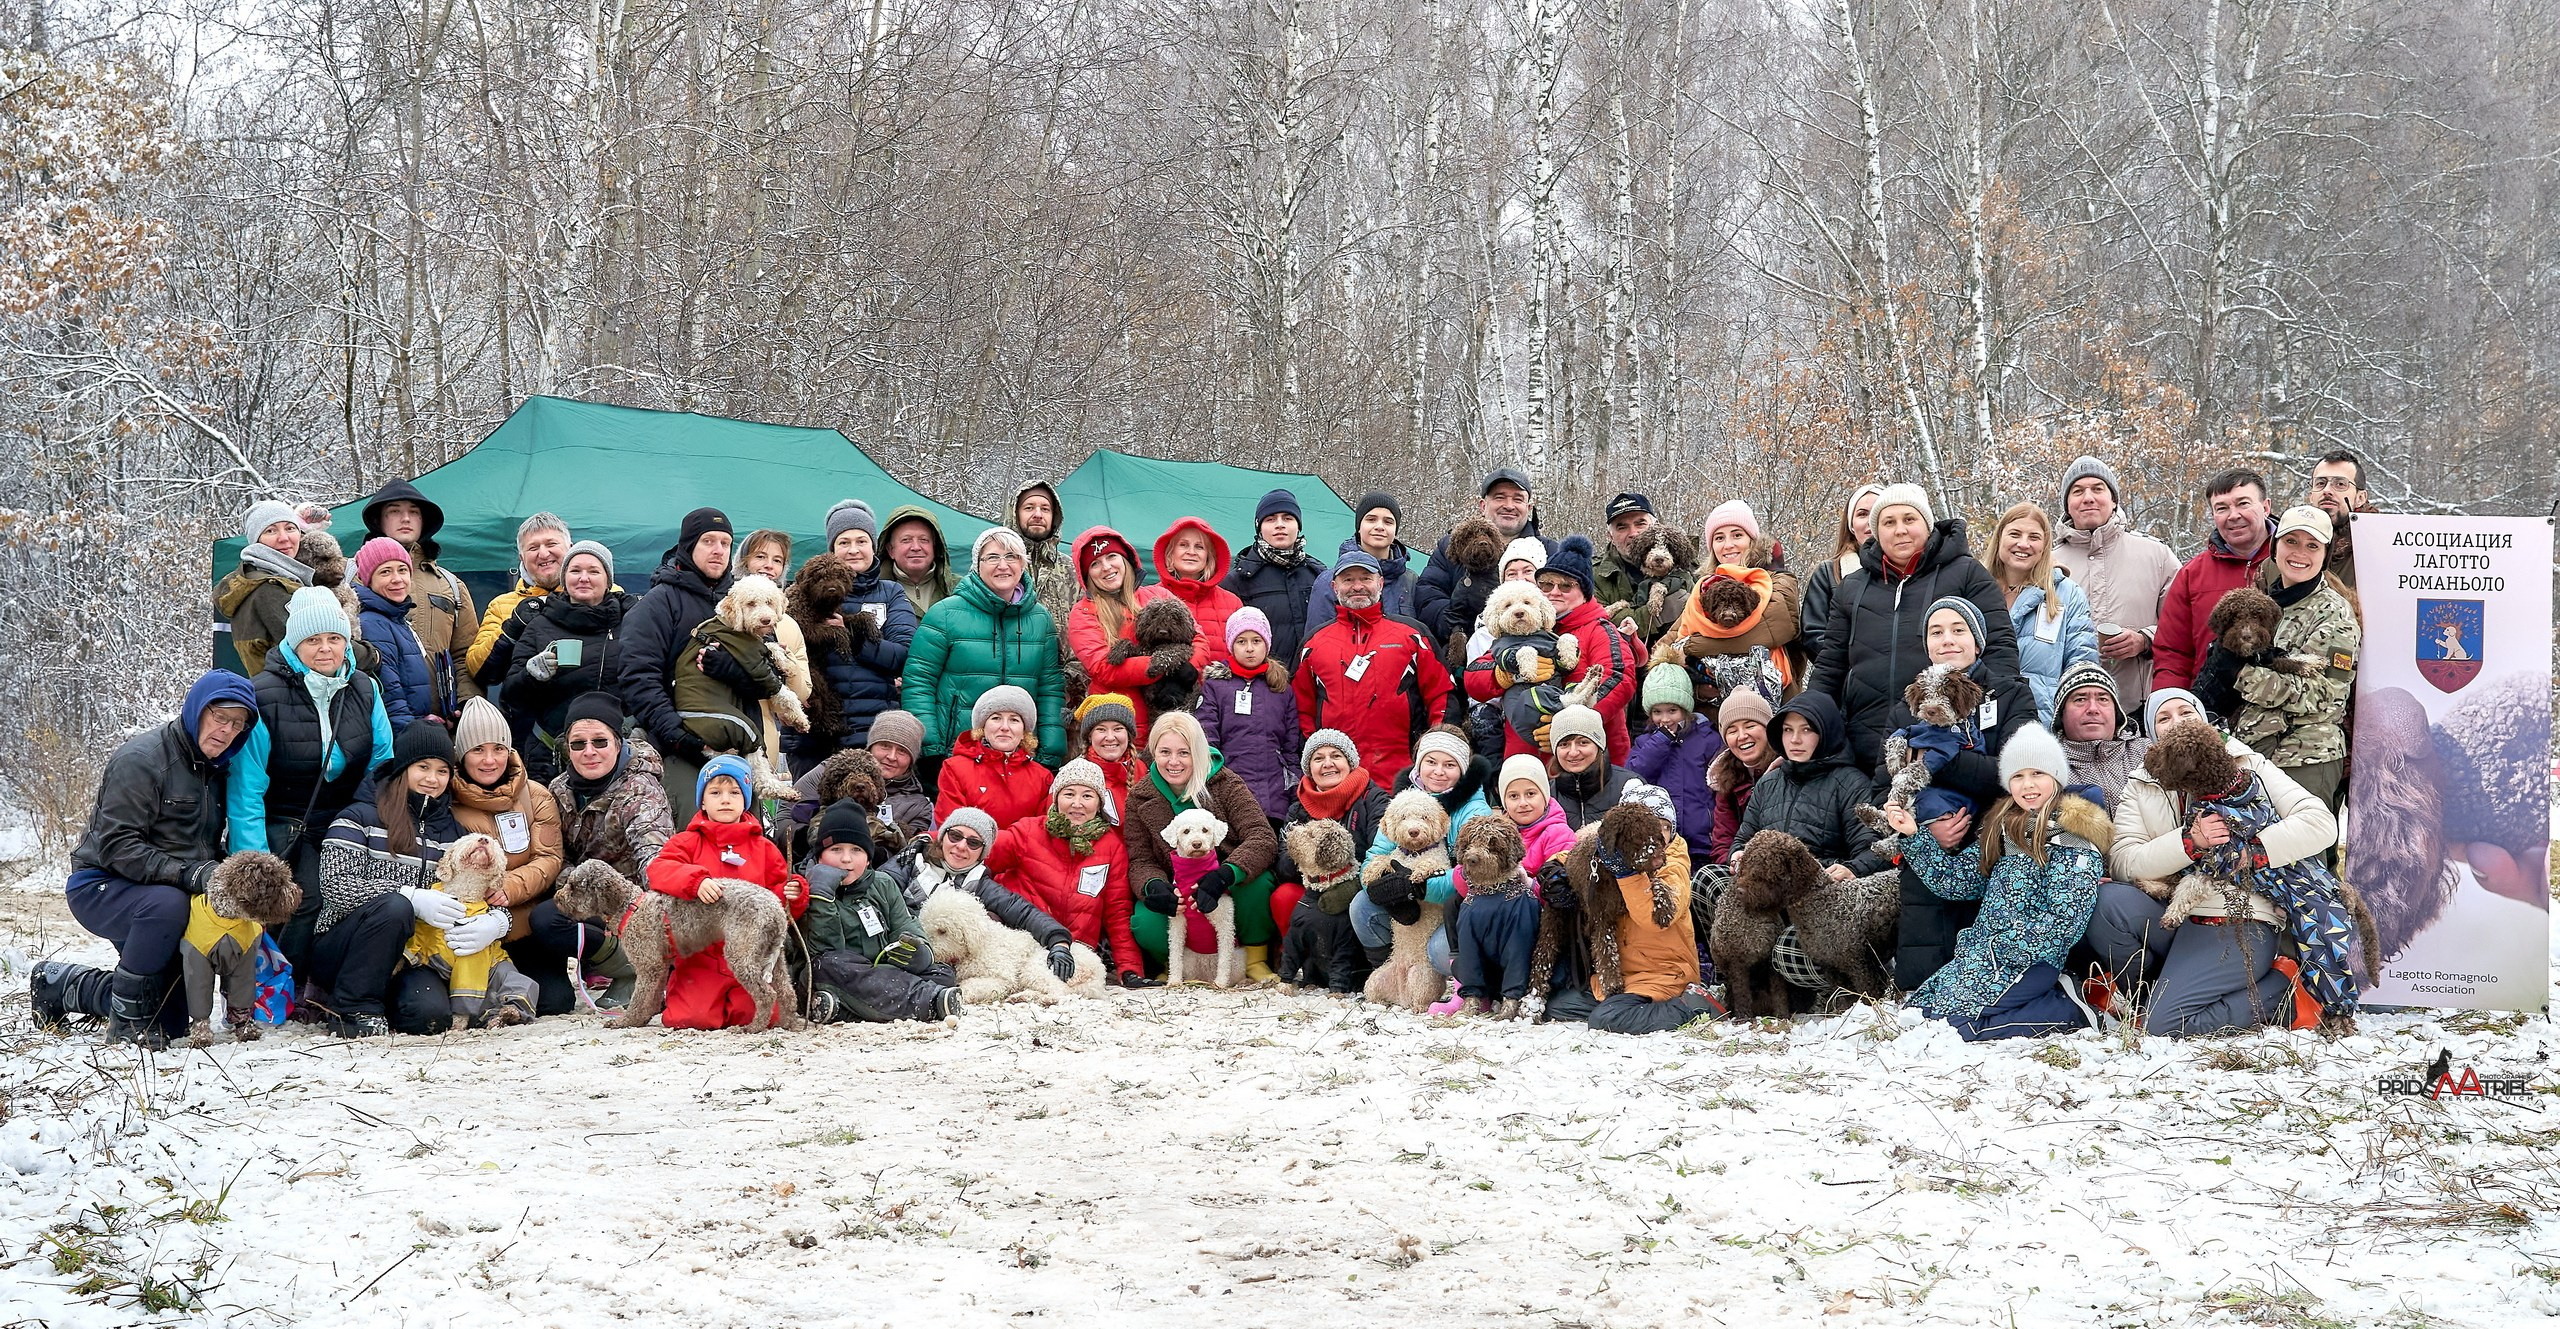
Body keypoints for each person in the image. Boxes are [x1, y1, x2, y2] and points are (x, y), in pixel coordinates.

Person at [2087, 695, 2340, 1036]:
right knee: (2106, 903)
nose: (2177, 721)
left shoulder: (2247, 762)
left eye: (2186, 711)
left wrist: (2252, 850)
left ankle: (2283, 992)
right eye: (2163, 718)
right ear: (2152, 733)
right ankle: (2149, 995)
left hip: (2236, 912)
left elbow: (2321, 823)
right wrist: (2189, 842)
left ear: (2205, 721)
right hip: (2173, 908)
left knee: (2166, 1026)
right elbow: (2124, 861)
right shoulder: (2142, 782)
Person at [31, 672, 261, 1045]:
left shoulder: (216, 769)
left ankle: (60, 983)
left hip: (166, 892)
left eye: (238, 724)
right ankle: (127, 1026)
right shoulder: (142, 759)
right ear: (196, 710)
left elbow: (203, 847)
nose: (226, 730)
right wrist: (191, 875)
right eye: (219, 716)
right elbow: (117, 845)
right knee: (167, 903)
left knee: (170, 1018)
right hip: (102, 884)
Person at [1886, 725, 2110, 1041]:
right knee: (1923, 1017)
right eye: (2018, 776)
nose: (2028, 785)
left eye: (2038, 774)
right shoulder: (2004, 829)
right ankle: (2048, 999)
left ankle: (2070, 1010)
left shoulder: (2071, 836)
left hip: (2029, 959)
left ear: (2057, 778)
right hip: (1983, 955)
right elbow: (1957, 883)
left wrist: (2005, 947)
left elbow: (2065, 921)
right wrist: (1914, 835)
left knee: (1956, 1029)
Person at [227, 587, 396, 968]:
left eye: (334, 638)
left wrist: (361, 822)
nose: (325, 649)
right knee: (305, 899)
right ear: (293, 645)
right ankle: (283, 980)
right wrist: (253, 864)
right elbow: (246, 789)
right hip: (283, 821)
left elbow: (382, 764)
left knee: (355, 896)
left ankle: (325, 978)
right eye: (312, 640)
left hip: (345, 818)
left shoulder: (365, 689)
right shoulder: (262, 695)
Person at [1804, 483, 2021, 773]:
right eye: (1888, 522)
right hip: (1864, 746)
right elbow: (1830, 667)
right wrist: (1807, 723)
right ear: (1877, 531)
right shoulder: (1852, 588)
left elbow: (1999, 649)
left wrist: (1992, 723)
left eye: (1909, 519)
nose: (1900, 530)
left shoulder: (1967, 574)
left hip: (1947, 745)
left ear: (1927, 524)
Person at [314, 722, 481, 1036]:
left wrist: (498, 921)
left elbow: (472, 890)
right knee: (396, 907)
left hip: (410, 954)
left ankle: (381, 1001)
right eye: (423, 767)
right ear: (403, 767)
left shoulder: (453, 833)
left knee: (428, 1016)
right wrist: (410, 896)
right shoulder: (360, 816)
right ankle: (354, 1009)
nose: (433, 779)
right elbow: (335, 885)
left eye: (443, 771)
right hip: (343, 946)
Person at [1540, 782, 1719, 1034]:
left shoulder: (1673, 865)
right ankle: (1626, 1006)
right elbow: (1575, 854)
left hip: (1663, 974)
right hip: (1621, 977)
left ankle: (1693, 1006)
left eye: (1663, 827)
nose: (1653, 836)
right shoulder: (1614, 854)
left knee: (1605, 1020)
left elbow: (1655, 918)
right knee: (1558, 1006)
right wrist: (1555, 871)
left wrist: (1626, 874)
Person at [643, 755, 808, 1028]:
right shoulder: (686, 842)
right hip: (701, 957)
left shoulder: (764, 848)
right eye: (715, 792)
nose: (725, 799)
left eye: (734, 793)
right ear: (702, 801)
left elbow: (777, 897)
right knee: (688, 1019)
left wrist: (795, 893)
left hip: (750, 956)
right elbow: (659, 871)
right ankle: (683, 993)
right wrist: (694, 881)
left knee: (761, 1016)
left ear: (746, 800)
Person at [2211, 507, 2359, 806]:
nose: (2300, 552)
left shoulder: (2336, 614)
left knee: (2301, 853)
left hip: (2304, 758)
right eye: (2291, 541)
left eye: (2312, 545)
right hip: (2251, 753)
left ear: (2325, 555)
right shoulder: (2262, 601)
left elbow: (2326, 695)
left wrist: (2241, 675)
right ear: (2275, 546)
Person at [1125, 711, 1281, 980]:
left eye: (1183, 753)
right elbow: (1140, 859)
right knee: (1144, 921)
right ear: (1153, 753)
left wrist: (1227, 874)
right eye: (1164, 752)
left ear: (1197, 752)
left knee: (1258, 884)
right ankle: (1175, 965)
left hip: (1225, 884)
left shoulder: (1225, 783)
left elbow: (1261, 836)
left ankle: (1255, 957)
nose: (1173, 762)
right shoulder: (1140, 797)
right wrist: (1154, 886)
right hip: (1179, 888)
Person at [443, 698, 574, 1010]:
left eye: (498, 748)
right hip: (468, 923)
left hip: (524, 921)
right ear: (462, 755)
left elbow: (549, 858)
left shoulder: (536, 795)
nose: (490, 760)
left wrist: (508, 888)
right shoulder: (447, 802)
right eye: (478, 750)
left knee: (555, 1001)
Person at [614, 507, 737, 825]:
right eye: (709, 541)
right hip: (679, 751)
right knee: (692, 842)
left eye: (725, 543)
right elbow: (638, 677)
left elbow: (768, 671)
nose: (718, 550)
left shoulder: (741, 601)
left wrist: (735, 671)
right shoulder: (658, 603)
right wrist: (682, 738)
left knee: (742, 849)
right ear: (688, 545)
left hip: (739, 751)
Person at [903, 527, 1068, 761]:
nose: (1003, 565)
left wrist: (1050, 750)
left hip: (1021, 756)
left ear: (1023, 565)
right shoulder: (945, 614)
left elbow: (1050, 688)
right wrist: (929, 746)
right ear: (977, 565)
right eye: (992, 557)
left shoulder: (1040, 619)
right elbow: (919, 681)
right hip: (957, 752)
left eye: (1011, 557)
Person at [1295, 552, 1455, 789]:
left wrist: (1432, 751)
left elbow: (1442, 694)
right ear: (1334, 586)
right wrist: (1318, 758)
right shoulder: (1313, 642)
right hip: (1336, 783)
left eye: (1365, 578)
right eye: (1348, 579)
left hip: (1403, 779)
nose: (1357, 586)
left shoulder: (1412, 634)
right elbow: (1300, 709)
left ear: (1380, 583)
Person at [542, 692, 658, 1006]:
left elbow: (654, 855)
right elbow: (554, 854)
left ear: (618, 744)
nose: (589, 752)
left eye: (600, 742)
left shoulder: (641, 789)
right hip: (581, 895)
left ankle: (640, 970)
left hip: (631, 908)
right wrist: (576, 883)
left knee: (550, 920)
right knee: (543, 915)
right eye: (578, 744)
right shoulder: (558, 789)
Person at [1348, 727, 1491, 977]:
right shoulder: (1403, 802)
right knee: (1361, 905)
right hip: (1407, 905)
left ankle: (1450, 978)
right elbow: (1377, 853)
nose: (1438, 771)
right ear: (1419, 764)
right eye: (1431, 762)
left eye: (1449, 765)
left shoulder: (1474, 811)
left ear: (1463, 770)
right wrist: (1384, 884)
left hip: (1454, 905)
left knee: (1438, 953)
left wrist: (1420, 887)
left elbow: (1472, 873)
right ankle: (1390, 970)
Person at [985, 758, 1143, 983]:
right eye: (1069, 794)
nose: (1077, 803)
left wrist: (1130, 969)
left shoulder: (1111, 847)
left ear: (1099, 804)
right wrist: (937, 840)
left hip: (1074, 952)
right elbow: (978, 847)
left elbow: (1117, 912)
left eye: (1087, 796)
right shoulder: (1028, 832)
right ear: (1056, 799)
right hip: (1021, 940)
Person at [801, 801, 959, 1024]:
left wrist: (920, 953)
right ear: (820, 856)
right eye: (836, 850)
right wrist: (822, 896)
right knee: (826, 966)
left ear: (867, 859)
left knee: (941, 973)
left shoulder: (883, 884)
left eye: (856, 850)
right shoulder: (805, 889)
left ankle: (841, 1010)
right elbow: (825, 949)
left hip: (882, 970)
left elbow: (905, 923)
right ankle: (929, 1003)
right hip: (839, 971)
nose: (846, 859)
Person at [1451, 755, 1578, 1015]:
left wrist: (1529, 883)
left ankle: (1513, 995)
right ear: (1504, 801)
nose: (1522, 803)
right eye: (1513, 796)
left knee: (1520, 924)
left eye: (1530, 793)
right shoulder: (1493, 827)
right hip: (1489, 907)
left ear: (1545, 794)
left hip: (1538, 912)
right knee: (1456, 905)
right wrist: (1471, 873)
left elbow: (1563, 883)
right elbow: (1462, 873)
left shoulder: (1558, 833)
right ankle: (1471, 991)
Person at [2050, 456, 2179, 709]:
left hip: (2142, 706)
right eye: (2077, 491)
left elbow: (2184, 626)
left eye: (2098, 489)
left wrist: (2145, 640)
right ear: (2067, 504)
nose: (2088, 497)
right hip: (2068, 710)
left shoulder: (2157, 555)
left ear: (2114, 500)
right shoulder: (2046, 565)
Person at [1729, 694, 1896, 887]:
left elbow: (1872, 848)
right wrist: (1737, 854)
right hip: (1768, 885)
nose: (1795, 740)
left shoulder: (1851, 784)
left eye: (1806, 730)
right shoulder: (1768, 783)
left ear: (1826, 732)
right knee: (1709, 878)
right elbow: (1744, 838)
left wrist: (1853, 869)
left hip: (1821, 886)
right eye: (1787, 730)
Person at [499, 540, 635, 773]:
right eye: (575, 571)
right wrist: (531, 676)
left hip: (617, 752)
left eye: (594, 571)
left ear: (608, 581)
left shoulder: (631, 623)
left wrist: (636, 724)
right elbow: (510, 697)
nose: (584, 578)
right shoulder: (539, 625)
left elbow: (649, 681)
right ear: (564, 578)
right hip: (549, 755)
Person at [784, 547, 917, 778]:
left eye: (861, 540)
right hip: (812, 734)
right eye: (845, 541)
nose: (854, 549)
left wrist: (854, 636)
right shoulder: (796, 599)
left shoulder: (891, 592)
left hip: (870, 731)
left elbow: (903, 654)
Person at [1062, 526, 1203, 739]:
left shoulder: (1158, 594)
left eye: (1111, 556)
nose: (1106, 567)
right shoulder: (1083, 613)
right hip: (1119, 725)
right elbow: (1104, 667)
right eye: (1095, 563)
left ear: (1126, 559)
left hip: (1172, 719)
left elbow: (1198, 637)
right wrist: (1164, 665)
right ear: (1086, 574)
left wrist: (1191, 668)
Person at [1654, 501, 1798, 695]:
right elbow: (1678, 632)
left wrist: (1693, 646)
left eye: (1737, 535)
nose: (1728, 545)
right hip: (1714, 710)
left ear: (1752, 540)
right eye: (1719, 538)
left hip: (1772, 700)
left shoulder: (1778, 580)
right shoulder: (1705, 588)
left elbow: (1772, 630)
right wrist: (1661, 658)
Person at [2152, 468, 2276, 692]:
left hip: (2282, 707)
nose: (2233, 515)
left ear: (2266, 507)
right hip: (2211, 706)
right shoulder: (2192, 575)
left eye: (2243, 503)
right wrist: (2169, 705)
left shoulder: (2295, 564)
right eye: (2222, 508)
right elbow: (2172, 654)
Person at [363, 481, 482, 709]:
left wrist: (465, 706)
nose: (405, 518)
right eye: (395, 511)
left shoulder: (451, 586)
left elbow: (465, 655)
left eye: (413, 512)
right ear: (379, 520)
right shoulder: (351, 579)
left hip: (440, 722)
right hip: (374, 718)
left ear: (423, 521)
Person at [1416, 467, 1553, 648]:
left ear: (1528, 508)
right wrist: (1453, 622)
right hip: (1464, 656)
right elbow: (1427, 596)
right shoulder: (1452, 546)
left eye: (1518, 499)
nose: (1509, 505)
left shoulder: (1550, 550)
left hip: (1534, 650)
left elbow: (1565, 599)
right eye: (1499, 497)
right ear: (1483, 505)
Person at [1988, 502, 2098, 726]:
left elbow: (2081, 663)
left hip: (2040, 725)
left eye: (2034, 537)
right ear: (2000, 538)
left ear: (2045, 545)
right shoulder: (1975, 590)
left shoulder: (2066, 594)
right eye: (2015, 534)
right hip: (1980, 724)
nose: (2023, 544)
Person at [1534, 537, 1641, 762]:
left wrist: (1571, 723)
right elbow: (1477, 676)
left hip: (1595, 754)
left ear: (1584, 593)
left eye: (1565, 585)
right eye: (1546, 584)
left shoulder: (1599, 630)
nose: (1554, 592)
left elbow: (1619, 677)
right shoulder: (1527, 625)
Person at [1196, 610, 1299, 823]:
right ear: (1231, 646)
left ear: (1267, 644)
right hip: (1229, 790)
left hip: (1274, 794)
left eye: (1256, 641)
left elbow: (1291, 746)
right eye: (1241, 641)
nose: (1250, 648)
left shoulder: (1281, 689)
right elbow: (1207, 738)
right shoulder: (1215, 686)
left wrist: (1295, 786)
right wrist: (1214, 779)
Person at [465, 513, 576, 689]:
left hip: (595, 711)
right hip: (527, 712)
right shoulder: (502, 606)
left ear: (570, 548)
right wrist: (511, 629)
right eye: (533, 548)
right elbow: (476, 670)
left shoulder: (605, 594)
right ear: (522, 558)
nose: (543, 553)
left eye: (551, 544)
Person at [1627, 663, 1724, 862]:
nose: (1665, 719)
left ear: (1685, 709)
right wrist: (1660, 741)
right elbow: (1634, 775)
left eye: (1672, 711)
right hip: (1660, 842)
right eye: (1657, 712)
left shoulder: (1707, 739)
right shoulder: (1645, 743)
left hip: (1701, 841)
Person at [735, 529, 815, 760]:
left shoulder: (788, 624)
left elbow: (802, 692)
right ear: (743, 561)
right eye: (760, 557)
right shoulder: (725, 612)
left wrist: (785, 662)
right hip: (726, 731)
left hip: (767, 737)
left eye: (777, 560)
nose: (769, 565)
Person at [1225, 489, 1326, 666]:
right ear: (1259, 527)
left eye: (1288, 518)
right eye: (1270, 519)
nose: (1280, 525)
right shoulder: (1237, 580)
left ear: (1298, 525)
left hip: (1311, 685)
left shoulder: (1320, 576)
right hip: (1262, 686)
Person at [933, 685, 1055, 828]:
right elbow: (951, 828)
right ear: (982, 728)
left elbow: (1042, 831)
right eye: (996, 718)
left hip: (1022, 850)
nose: (1004, 727)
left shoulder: (1042, 777)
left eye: (1014, 720)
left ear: (1024, 733)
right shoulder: (955, 769)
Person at [216, 499, 312, 678]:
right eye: (271, 530)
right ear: (256, 540)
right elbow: (315, 646)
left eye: (290, 528)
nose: (284, 537)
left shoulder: (272, 576)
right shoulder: (268, 590)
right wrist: (372, 655)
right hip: (292, 696)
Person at [352, 536, 434, 734]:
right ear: (368, 579)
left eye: (402, 570)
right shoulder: (373, 624)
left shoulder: (395, 618)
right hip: (402, 739)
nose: (397, 579)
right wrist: (414, 737)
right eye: (385, 572)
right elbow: (391, 697)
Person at [1307, 492, 1418, 628]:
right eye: (1371, 519)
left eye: (1388, 522)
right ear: (1359, 526)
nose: (1379, 527)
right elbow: (1317, 640)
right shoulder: (1329, 580)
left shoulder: (1411, 581)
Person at [1800, 484, 1883, 663]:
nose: (1870, 521)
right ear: (1851, 525)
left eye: (1877, 511)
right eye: (1862, 514)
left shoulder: (1909, 571)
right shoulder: (1828, 573)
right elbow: (1814, 635)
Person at [1594, 492, 1690, 643]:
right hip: (1624, 658)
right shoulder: (1594, 574)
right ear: (1610, 536)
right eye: (1622, 527)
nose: (1633, 533)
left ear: (1655, 526)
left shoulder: (1684, 559)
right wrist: (1654, 616)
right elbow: (1602, 625)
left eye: (1640, 523)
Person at [2053, 661, 2149, 810]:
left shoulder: (2147, 753)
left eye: (2103, 699)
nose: (2092, 709)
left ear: (2117, 712)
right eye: (2080, 699)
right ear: (2061, 714)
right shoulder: (2048, 767)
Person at [1153, 517, 1243, 669]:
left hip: (1219, 690)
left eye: (1199, 547)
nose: (1191, 552)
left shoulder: (1233, 603)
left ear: (1209, 556)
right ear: (1170, 554)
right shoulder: (1151, 598)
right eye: (1183, 545)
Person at [1704, 690, 1777, 864]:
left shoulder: (1786, 771)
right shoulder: (1727, 780)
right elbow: (1722, 842)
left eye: (1750, 725)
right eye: (1732, 730)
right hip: (1744, 867)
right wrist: (1733, 861)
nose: (1742, 736)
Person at [1009, 481, 1078, 638]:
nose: (1038, 514)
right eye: (1029, 508)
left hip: (1062, 661)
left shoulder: (1071, 568)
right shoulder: (997, 565)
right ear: (1015, 513)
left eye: (1045, 509)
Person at [1548, 705, 1633, 830]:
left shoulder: (1629, 787)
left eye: (1583, 742)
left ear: (1599, 746)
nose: (1573, 752)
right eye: (1564, 744)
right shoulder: (1545, 795)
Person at [1067, 694, 1148, 817]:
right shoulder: (1072, 774)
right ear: (1089, 736)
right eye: (1101, 729)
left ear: (1128, 734)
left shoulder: (1143, 770)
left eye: (1118, 729)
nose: (1110, 737)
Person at [863, 710, 937, 842]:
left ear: (911, 760)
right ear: (870, 747)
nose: (891, 757)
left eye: (902, 751)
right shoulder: (839, 780)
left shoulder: (921, 807)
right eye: (885, 746)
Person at [2305, 450, 2372, 589]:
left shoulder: (2379, 550)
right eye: (2320, 483)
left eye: (2340, 484)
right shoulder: (2283, 550)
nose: (2327, 490)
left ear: (2360, 498)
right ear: (2311, 496)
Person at [880, 506, 956, 617]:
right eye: (906, 540)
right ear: (891, 550)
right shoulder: (871, 593)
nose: (916, 547)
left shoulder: (961, 590)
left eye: (924, 540)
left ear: (935, 547)